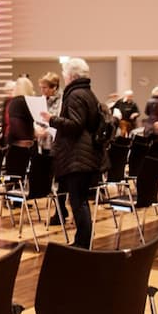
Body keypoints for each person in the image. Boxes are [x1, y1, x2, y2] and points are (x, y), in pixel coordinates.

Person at [50, 57, 101, 249]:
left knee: (78, 201)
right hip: (86, 155)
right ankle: (83, 240)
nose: (64, 77)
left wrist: (52, 119)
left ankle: (82, 242)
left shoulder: (75, 95)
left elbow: (76, 125)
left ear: (71, 75)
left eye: (64, 73)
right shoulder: (88, 93)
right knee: (80, 201)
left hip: (77, 156)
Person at [2, 78, 37, 148]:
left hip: (17, 143)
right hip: (22, 143)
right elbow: (17, 124)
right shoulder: (22, 102)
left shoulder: (15, 101)